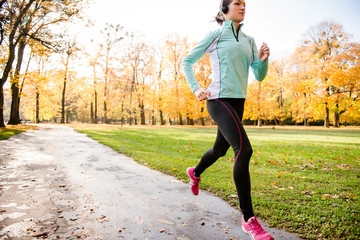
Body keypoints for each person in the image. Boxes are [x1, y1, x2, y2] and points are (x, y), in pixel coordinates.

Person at [181, 0, 273, 239]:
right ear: (225, 9)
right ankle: (248, 218)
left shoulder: (249, 41)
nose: (243, 7)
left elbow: (259, 76)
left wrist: (263, 60)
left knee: (219, 150)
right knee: (243, 150)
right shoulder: (216, 34)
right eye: (237, 3)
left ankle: (195, 171)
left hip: (238, 101)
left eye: (245, 4)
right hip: (218, 99)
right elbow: (187, 61)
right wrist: (196, 88)